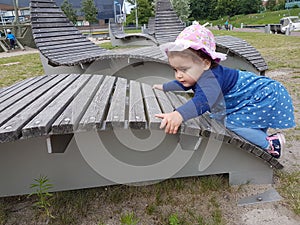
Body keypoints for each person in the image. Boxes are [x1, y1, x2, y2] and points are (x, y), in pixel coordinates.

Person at [153, 23, 295, 159]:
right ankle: (259, 144)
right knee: (243, 124)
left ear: (205, 63)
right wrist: (165, 87)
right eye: (175, 70)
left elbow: (203, 102)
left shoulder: (211, 79)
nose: (178, 75)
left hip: (264, 95)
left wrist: (180, 114)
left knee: (229, 122)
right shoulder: (197, 73)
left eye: (183, 69)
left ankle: (271, 144)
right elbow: (184, 84)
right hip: (257, 95)